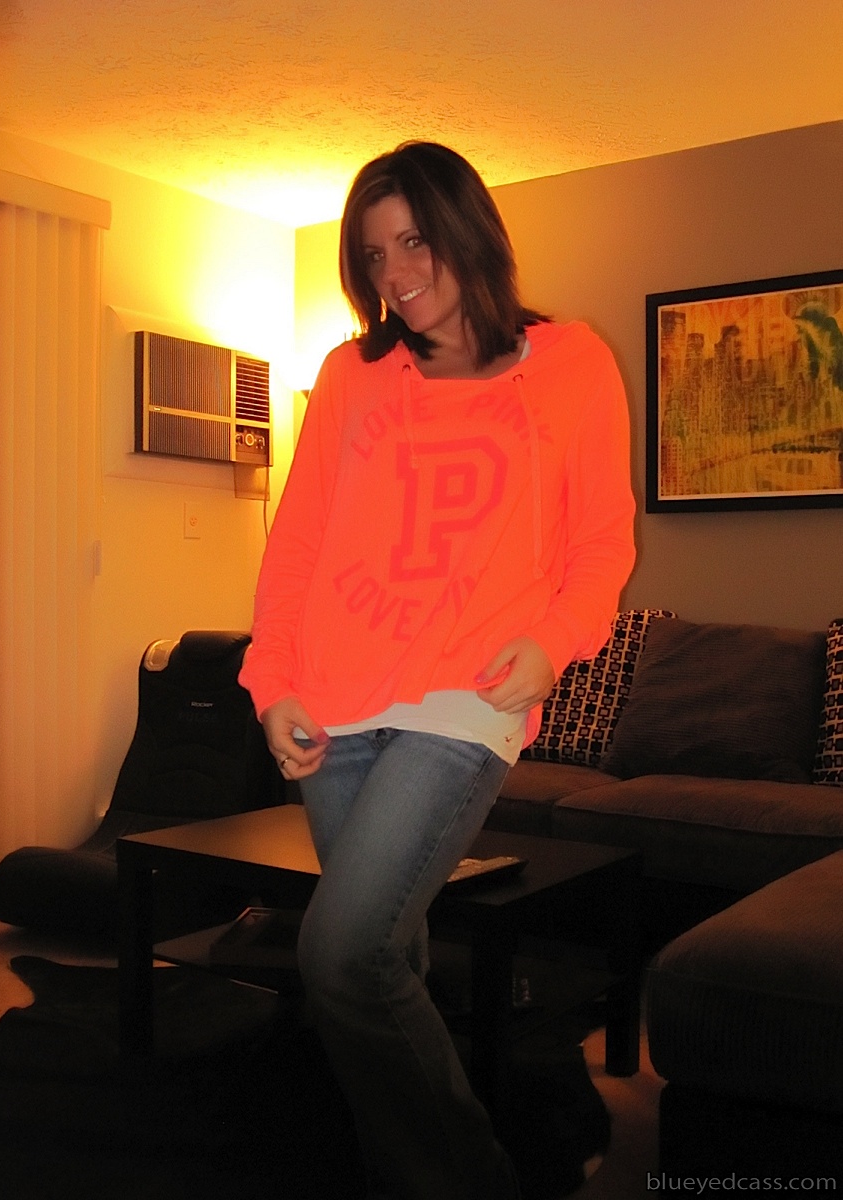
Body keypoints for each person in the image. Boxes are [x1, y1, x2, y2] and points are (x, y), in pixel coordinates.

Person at [239, 140, 636, 1200]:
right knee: (390, 959)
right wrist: (272, 682)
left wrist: (556, 642)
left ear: (469, 230)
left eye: (414, 240)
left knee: (340, 953)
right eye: (374, 255)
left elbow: (602, 541)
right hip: (333, 700)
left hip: (467, 697)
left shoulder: (573, 361)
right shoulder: (352, 374)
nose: (397, 273)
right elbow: (298, 543)